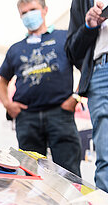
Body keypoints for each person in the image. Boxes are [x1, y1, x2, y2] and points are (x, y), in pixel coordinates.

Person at [0, 0, 82, 176]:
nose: (29, 15)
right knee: (29, 173)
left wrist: (76, 98)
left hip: (60, 114)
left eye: (33, 10)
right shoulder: (15, 49)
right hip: (27, 118)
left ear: (45, 10)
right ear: (20, 16)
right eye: (24, 12)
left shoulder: (64, 37)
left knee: (68, 173)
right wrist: (8, 104)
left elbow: (85, 68)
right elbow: (2, 81)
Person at [65, 0, 108, 191]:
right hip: (100, 70)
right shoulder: (82, 2)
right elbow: (72, 51)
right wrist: (88, 26)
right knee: (106, 155)